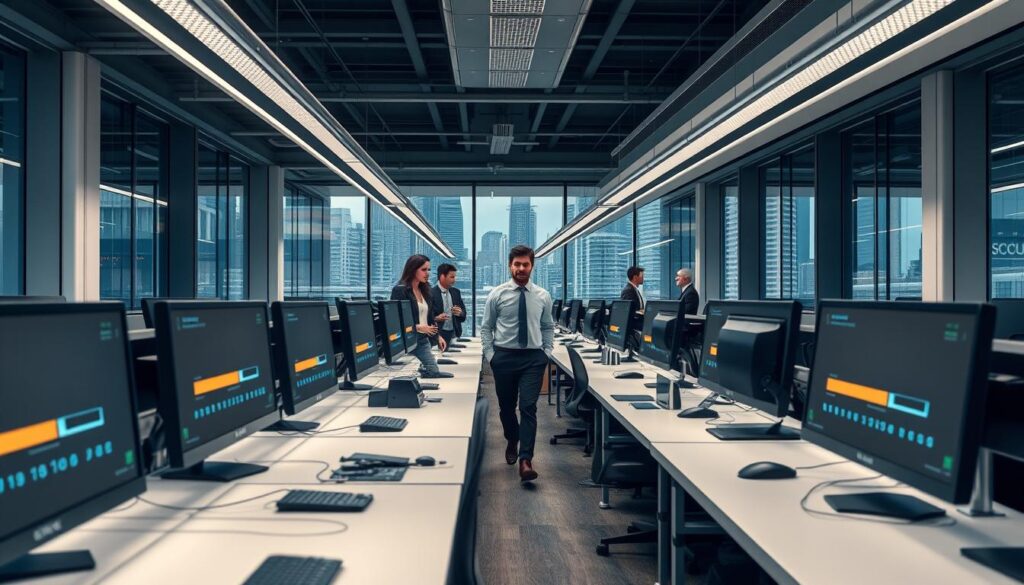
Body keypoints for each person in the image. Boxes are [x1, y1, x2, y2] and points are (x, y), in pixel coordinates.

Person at [480, 245, 553, 482]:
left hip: (533, 359)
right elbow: (486, 328)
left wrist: (547, 353)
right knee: (507, 408)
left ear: (532, 266)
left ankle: (525, 459)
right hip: (504, 357)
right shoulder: (497, 294)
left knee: (529, 408)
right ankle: (512, 438)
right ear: (510, 266)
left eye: (526, 264)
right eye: (517, 264)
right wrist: (491, 355)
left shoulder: (542, 295)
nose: (521, 269)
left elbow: (547, 326)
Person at [391, 255, 452, 379]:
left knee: (433, 371)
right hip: (410, 338)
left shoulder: (425, 289)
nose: (428, 273)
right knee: (433, 372)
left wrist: (437, 336)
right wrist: (417, 327)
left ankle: (421, 370)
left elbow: (429, 318)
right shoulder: (401, 290)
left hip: (423, 339)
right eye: (424, 270)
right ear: (413, 269)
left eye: (429, 270)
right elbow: (395, 320)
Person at [430, 263, 467, 348]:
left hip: (453, 335)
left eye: (455, 277)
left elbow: (464, 316)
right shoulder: (430, 293)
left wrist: (460, 313)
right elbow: (426, 318)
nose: (454, 280)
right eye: (452, 277)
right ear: (442, 277)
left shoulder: (456, 292)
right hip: (438, 335)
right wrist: (436, 318)